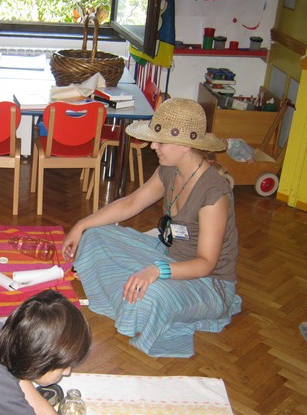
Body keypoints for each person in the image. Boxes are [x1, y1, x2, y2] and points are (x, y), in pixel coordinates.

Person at [62, 98, 241, 358]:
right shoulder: (170, 169)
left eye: (160, 141)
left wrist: (157, 271)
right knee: (95, 235)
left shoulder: (214, 193)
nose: (153, 146)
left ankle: (126, 290)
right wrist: (81, 225)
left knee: (149, 296)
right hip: (170, 257)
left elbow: (206, 264)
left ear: (185, 146)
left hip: (209, 283)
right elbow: (132, 203)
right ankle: (127, 287)